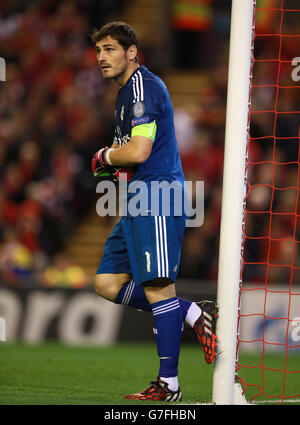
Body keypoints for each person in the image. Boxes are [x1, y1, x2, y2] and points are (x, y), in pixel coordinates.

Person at [90, 21, 218, 402]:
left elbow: (140, 152)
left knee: (159, 288)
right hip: (136, 200)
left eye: (110, 49)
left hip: (158, 196)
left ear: (132, 52)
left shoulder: (143, 87)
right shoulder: (126, 94)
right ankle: (193, 313)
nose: (101, 58)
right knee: (107, 282)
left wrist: (104, 156)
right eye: (98, 51)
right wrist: (115, 165)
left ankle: (170, 386)